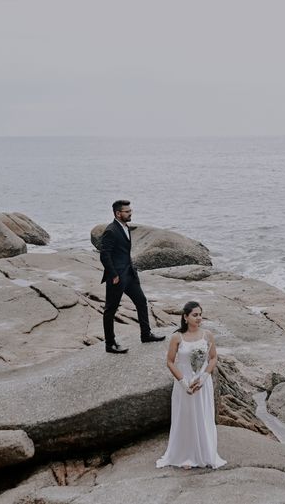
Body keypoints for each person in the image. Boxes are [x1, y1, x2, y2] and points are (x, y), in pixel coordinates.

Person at [156, 301, 226, 469]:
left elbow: (214, 358)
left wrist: (204, 377)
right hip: (184, 383)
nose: (199, 318)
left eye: (200, 314)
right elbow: (170, 362)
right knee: (185, 417)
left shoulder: (207, 335)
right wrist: (183, 382)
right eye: (195, 315)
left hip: (202, 382)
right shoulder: (177, 337)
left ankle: (205, 452)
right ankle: (185, 455)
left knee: (203, 416)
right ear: (185, 317)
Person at [98, 199, 165, 353]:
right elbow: (104, 255)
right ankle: (110, 344)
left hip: (129, 274)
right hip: (117, 277)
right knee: (110, 310)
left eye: (130, 211)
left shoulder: (125, 227)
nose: (130, 213)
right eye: (127, 212)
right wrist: (113, 274)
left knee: (141, 301)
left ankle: (146, 334)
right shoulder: (111, 230)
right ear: (118, 213)